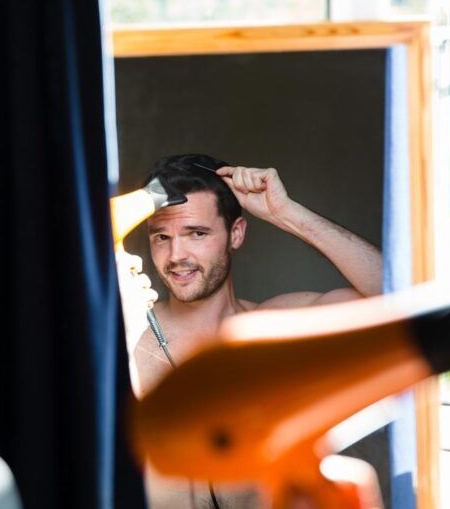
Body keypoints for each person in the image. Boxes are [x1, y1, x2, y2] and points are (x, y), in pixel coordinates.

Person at [122, 154, 383, 509]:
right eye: (161, 237)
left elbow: (399, 297)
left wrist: (285, 213)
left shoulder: (275, 331)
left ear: (236, 233)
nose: (176, 254)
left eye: (196, 233)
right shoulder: (127, 332)